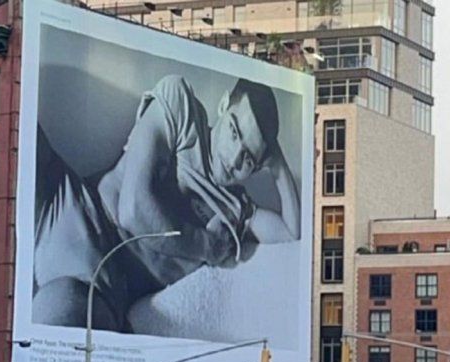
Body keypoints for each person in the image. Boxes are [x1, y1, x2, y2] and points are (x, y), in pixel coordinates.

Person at [32, 75, 300, 332]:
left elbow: (291, 233)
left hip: (102, 280)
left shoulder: (237, 208)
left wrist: (278, 165)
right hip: (67, 201)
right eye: (233, 132)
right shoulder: (181, 106)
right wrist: (208, 246)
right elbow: (133, 210)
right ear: (223, 105)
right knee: (15, 120)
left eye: (249, 158)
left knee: (50, 324)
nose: (234, 159)